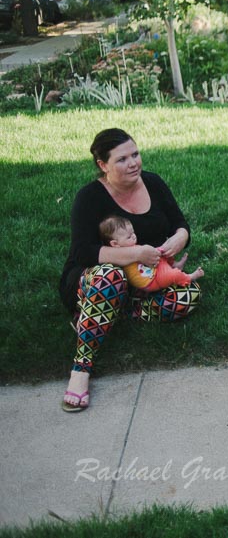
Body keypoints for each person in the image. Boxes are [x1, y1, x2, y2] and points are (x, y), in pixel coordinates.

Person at [59, 128, 202, 412]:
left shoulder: (153, 183)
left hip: (145, 280)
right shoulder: (90, 197)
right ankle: (81, 368)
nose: (133, 163)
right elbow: (82, 252)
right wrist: (136, 253)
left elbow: (180, 224)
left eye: (135, 154)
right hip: (95, 280)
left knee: (189, 295)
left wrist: (179, 238)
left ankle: (110, 315)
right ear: (103, 165)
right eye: (122, 159)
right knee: (110, 277)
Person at [99, 215, 205, 290]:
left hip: (153, 270)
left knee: (163, 255)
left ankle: (175, 265)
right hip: (151, 281)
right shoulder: (118, 256)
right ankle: (189, 278)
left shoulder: (131, 245)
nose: (134, 236)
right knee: (173, 275)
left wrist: (160, 250)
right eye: (129, 236)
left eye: (133, 233)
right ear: (115, 244)